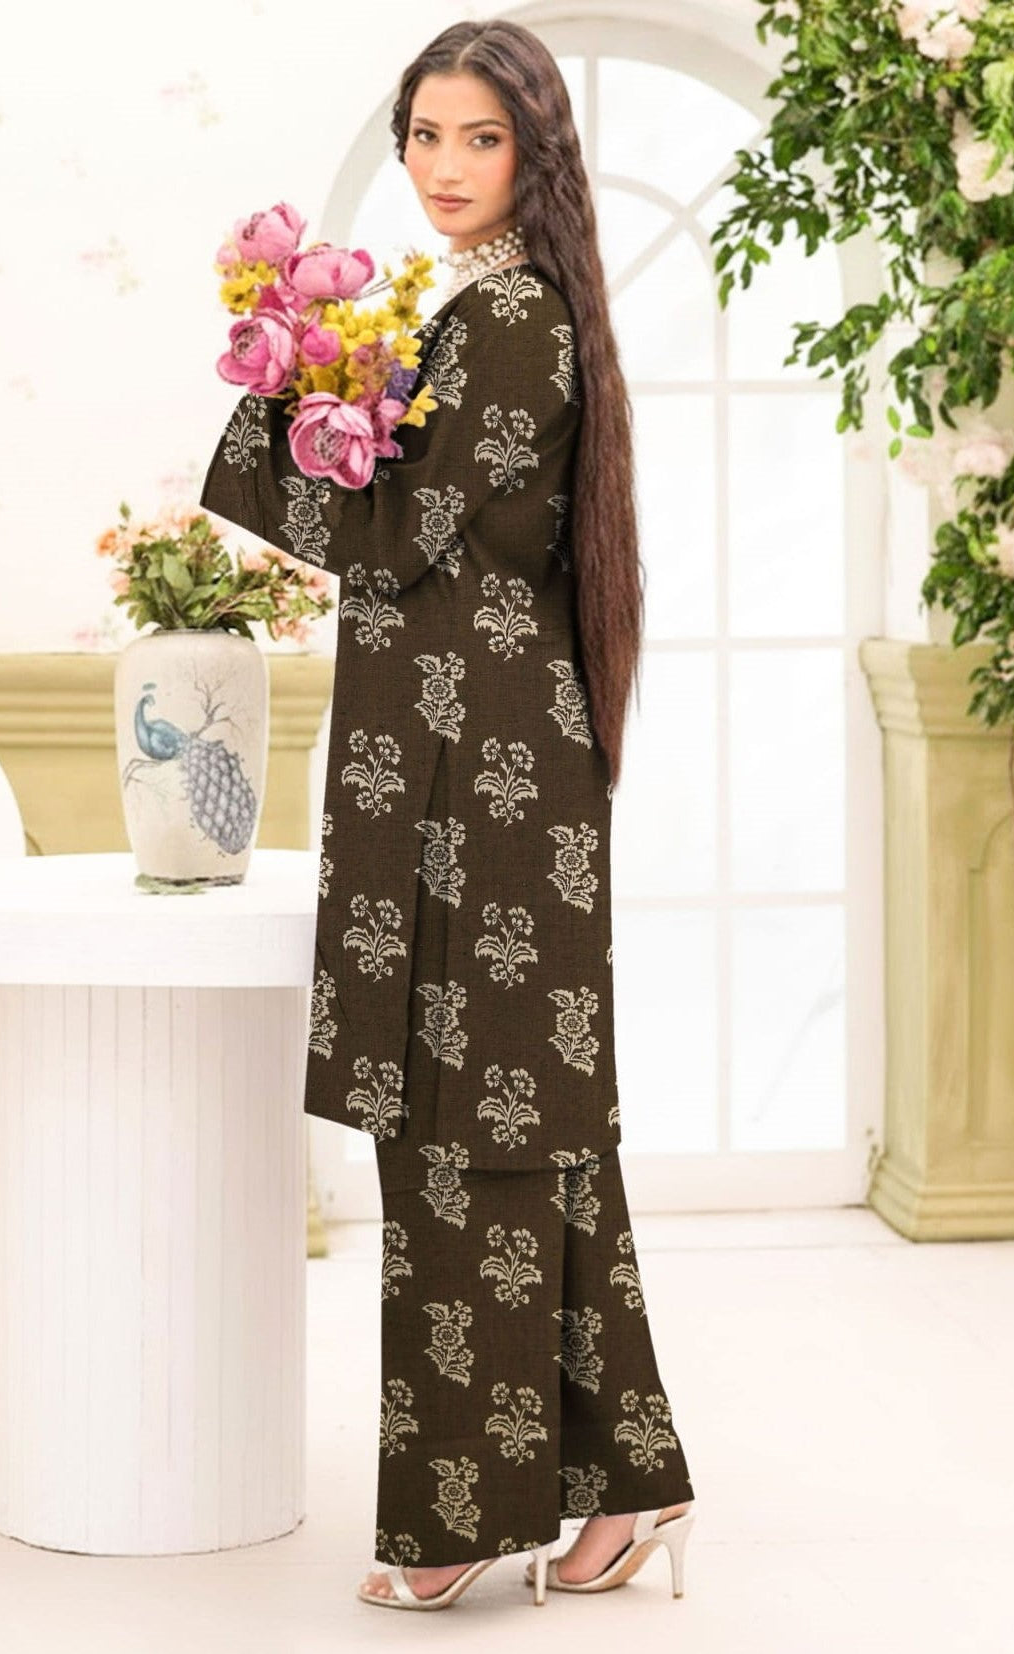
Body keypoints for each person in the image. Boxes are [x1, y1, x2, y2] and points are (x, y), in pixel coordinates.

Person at [199, 16, 697, 1616]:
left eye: (479, 137)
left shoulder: (516, 322)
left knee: (470, 1130)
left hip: (482, 786)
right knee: (527, 1132)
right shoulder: (480, 309)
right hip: (457, 761)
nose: (443, 165)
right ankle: (627, 1486)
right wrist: (315, 376)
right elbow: (405, 520)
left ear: (532, 151)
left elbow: (394, 530)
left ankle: (460, 1512)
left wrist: (279, 389)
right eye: (424, 135)